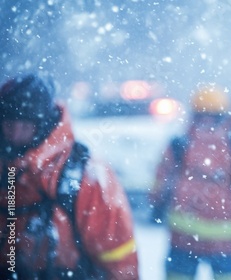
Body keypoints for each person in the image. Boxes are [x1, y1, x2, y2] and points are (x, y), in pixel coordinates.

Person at [0, 73, 139, 279]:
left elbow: (117, 254)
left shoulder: (83, 174)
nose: (15, 135)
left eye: (26, 126)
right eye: (9, 124)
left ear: (44, 125)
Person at [149, 84, 231, 280]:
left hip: (184, 237)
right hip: (225, 239)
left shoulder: (180, 143)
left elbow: (162, 178)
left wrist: (156, 203)